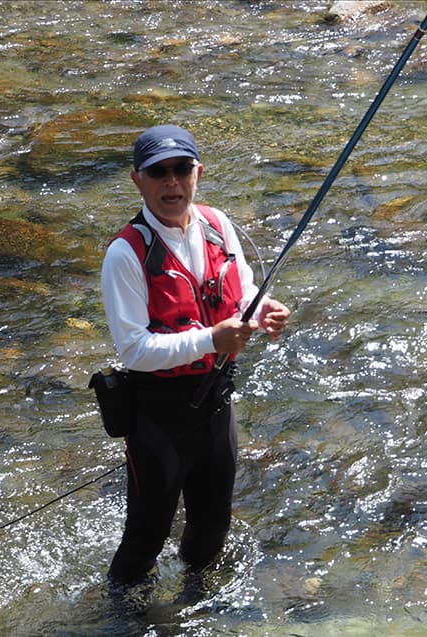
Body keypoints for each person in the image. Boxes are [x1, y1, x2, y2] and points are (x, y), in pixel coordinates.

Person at [100, 124, 290, 586]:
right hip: (157, 415)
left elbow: (244, 291)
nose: (171, 182)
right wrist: (211, 339)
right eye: (158, 172)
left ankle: (197, 607)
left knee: (211, 527)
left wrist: (264, 311)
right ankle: (121, 620)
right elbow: (134, 351)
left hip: (215, 402)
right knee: (146, 536)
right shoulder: (125, 255)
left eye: (181, 169)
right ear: (137, 180)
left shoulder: (218, 224)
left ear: (197, 172)